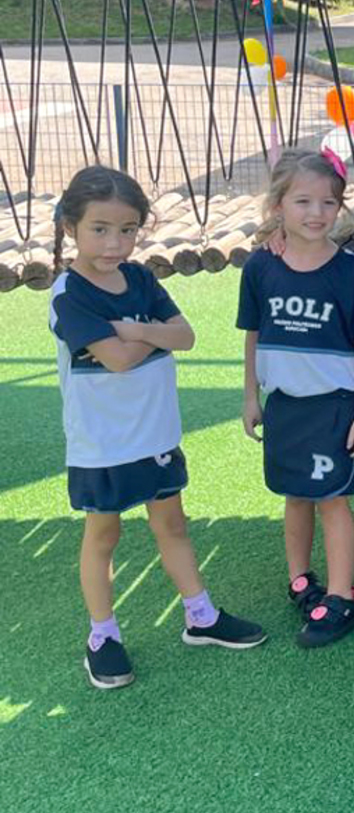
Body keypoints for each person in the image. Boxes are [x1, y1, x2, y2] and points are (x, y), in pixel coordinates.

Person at [50, 165, 265, 690]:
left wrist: (126, 328)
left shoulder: (142, 278)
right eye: (100, 229)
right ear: (70, 227)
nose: (115, 243)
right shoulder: (68, 294)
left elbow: (186, 336)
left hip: (157, 434)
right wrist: (150, 332)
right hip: (102, 443)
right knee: (104, 535)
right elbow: (120, 360)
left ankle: (201, 616)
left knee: (173, 526)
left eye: (127, 230)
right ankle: (102, 636)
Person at [239, 149, 354, 649]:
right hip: (285, 405)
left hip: (334, 404)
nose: (316, 213)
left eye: (328, 202)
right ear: (279, 205)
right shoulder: (261, 266)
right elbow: (253, 333)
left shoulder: (350, 269)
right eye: (302, 201)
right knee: (294, 494)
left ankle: (342, 596)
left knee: (331, 499)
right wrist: (250, 396)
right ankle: (301, 580)